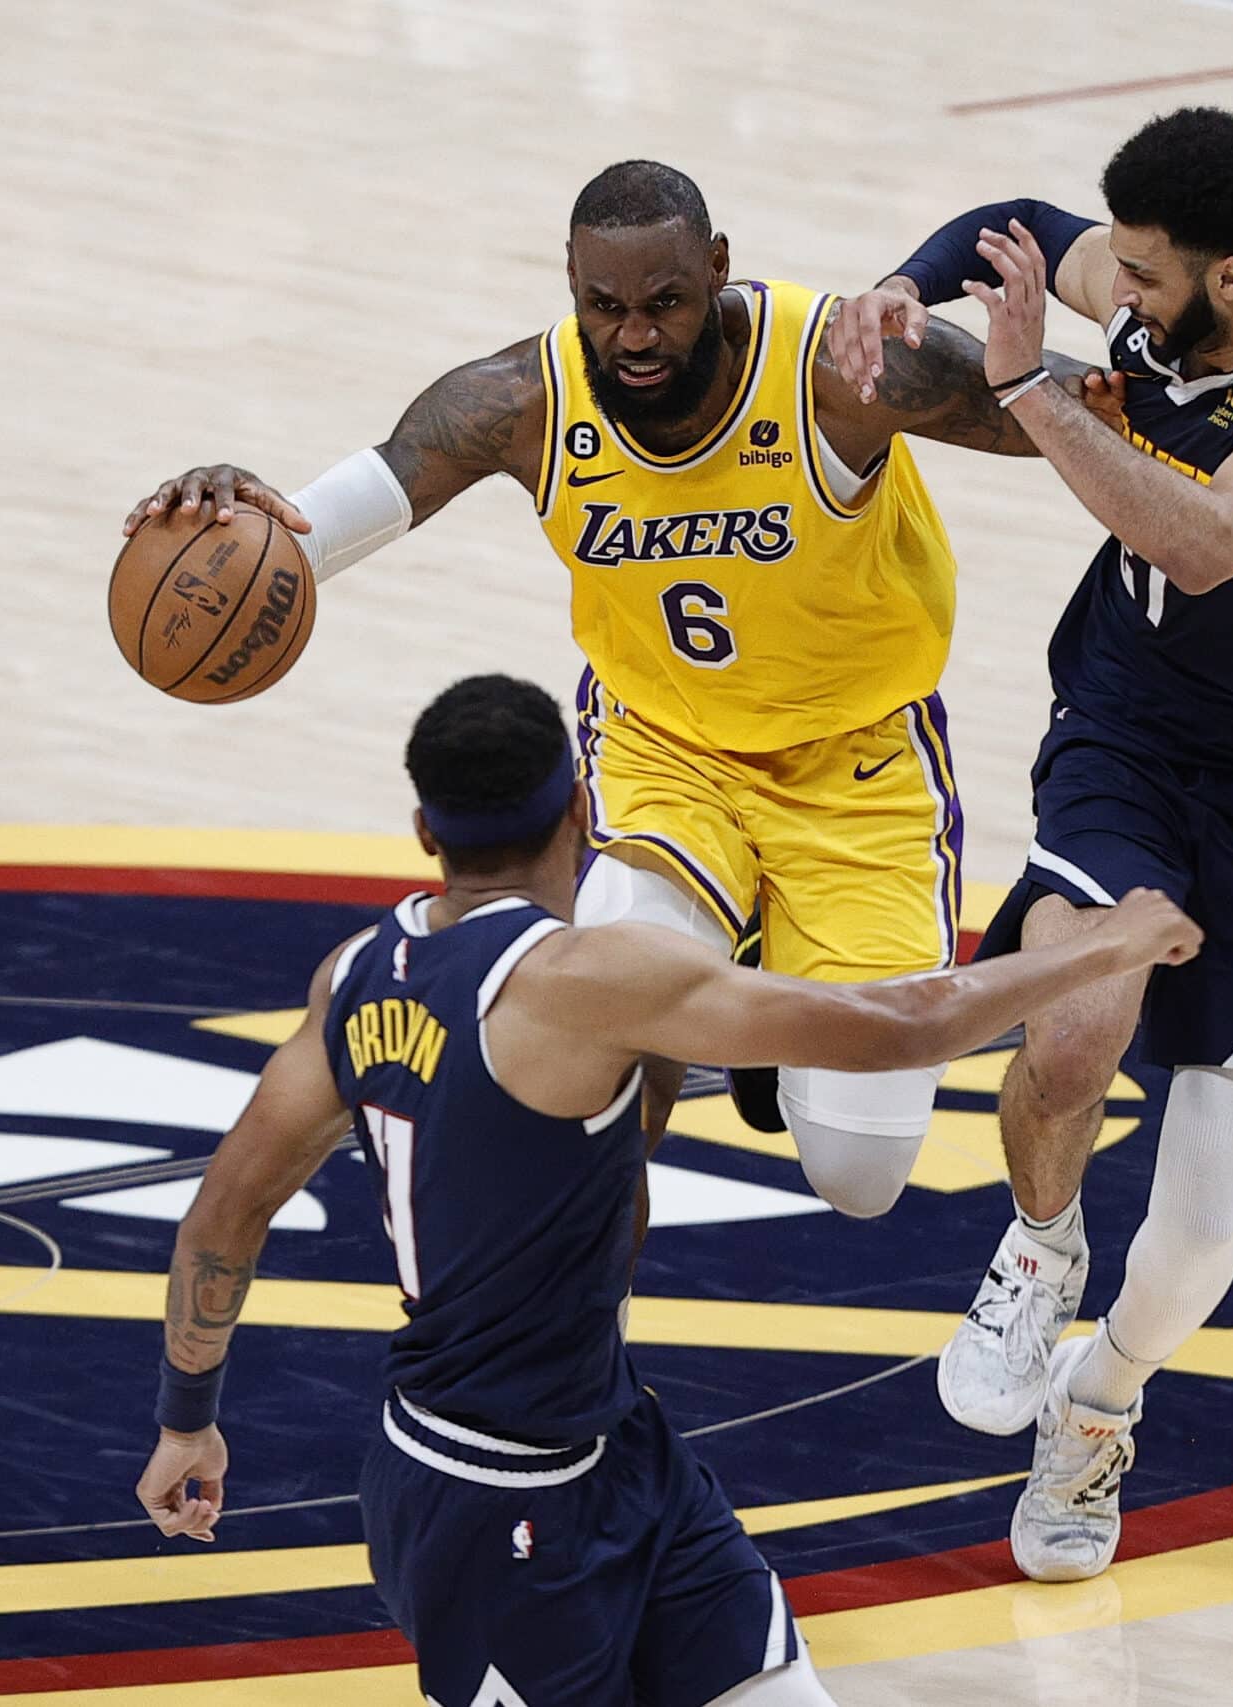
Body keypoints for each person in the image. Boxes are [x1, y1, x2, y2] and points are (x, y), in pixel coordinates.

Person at [131, 673, 1201, 1706]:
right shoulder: (594, 980)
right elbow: (906, 1023)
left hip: (618, 1453)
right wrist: (1104, 948)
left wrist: (187, 1423)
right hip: (488, 1502)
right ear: (580, 809)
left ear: (425, 831)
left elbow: (224, 1220)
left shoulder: (355, 976)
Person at [122, 159, 1095, 1226]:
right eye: (605, 306)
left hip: (853, 761)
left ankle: (755, 972)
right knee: (605, 1037)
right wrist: (240, 514)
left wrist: (1193, 391)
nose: (634, 336)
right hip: (664, 750)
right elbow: (336, 517)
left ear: (717, 269)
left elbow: (1079, 413)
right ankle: (587, 1284)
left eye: (664, 303)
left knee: (859, 1179)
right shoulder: (522, 401)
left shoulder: (835, 364)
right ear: (572, 285)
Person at [829, 107, 1233, 1581]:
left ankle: (1099, 1400)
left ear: (1230, 277)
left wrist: (1030, 388)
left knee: (1203, 1228)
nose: (1123, 294)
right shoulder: (1160, 289)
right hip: (1131, 735)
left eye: (1147, 278)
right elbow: (1022, 229)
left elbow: (1207, 543)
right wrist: (905, 283)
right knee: (1075, 1013)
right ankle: (1041, 1245)